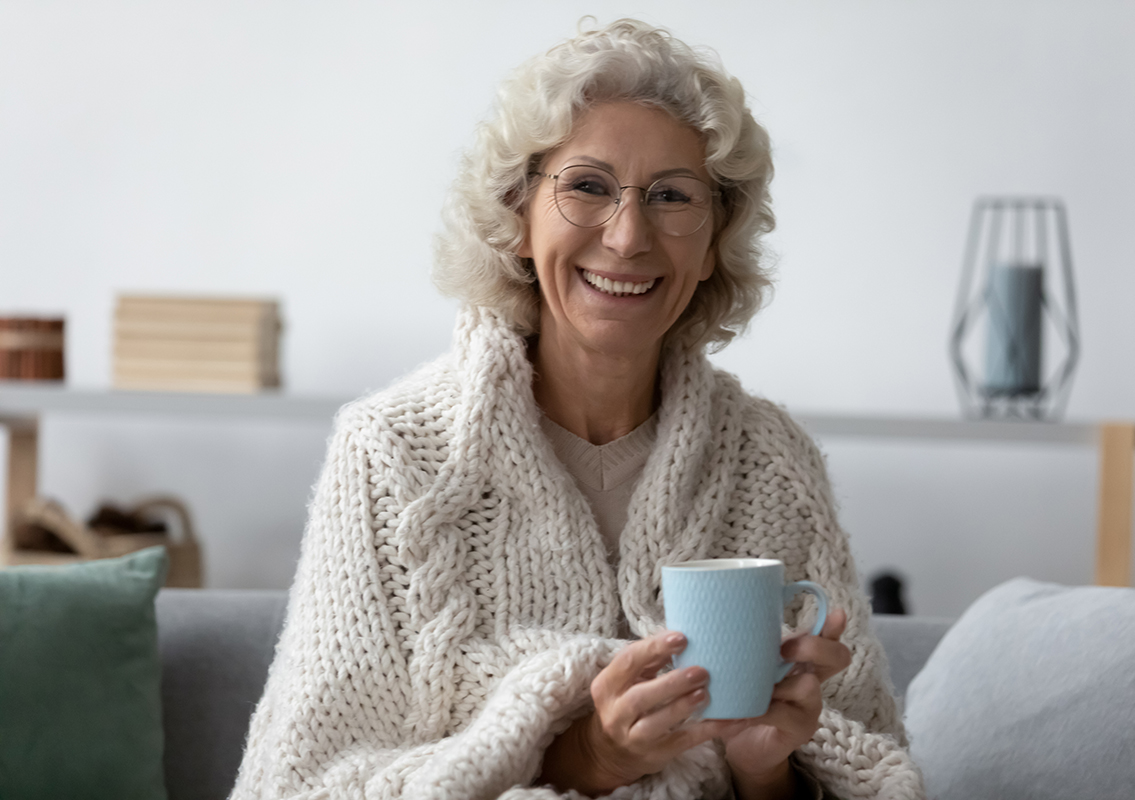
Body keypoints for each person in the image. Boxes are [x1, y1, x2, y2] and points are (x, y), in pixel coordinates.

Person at [232, 19, 924, 800]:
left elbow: (869, 766)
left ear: (711, 245)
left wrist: (766, 765)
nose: (628, 236)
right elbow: (305, 783)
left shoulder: (772, 460)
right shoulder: (392, 453)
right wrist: (593, 759)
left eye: (672, 196)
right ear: (518, 216)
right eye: (588, 186)